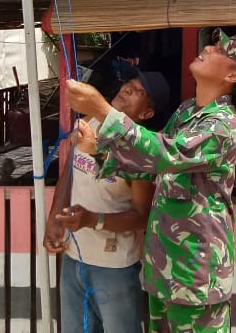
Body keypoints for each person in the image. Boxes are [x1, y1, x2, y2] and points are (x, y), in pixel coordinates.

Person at [66, 28, 236, 333]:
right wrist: (99, 150)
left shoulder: (223, 125)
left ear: (233, 77)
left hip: (196, 274)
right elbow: (151, 165)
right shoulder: (185, 111)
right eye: (212, 44)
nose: (209, 49)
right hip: (163, 269)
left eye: (221, 51)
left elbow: (167, 153)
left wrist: (102, 110)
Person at [44, 66, 171, 333]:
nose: (127, 89)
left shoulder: (140, 152)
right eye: (130, 84)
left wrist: (92, 220)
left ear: (146, 113)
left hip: (113, 267)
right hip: (74, 256)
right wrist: (54, 218)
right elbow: (70, 170)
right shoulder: (91, 122)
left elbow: (141, 216)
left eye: (139, 91)